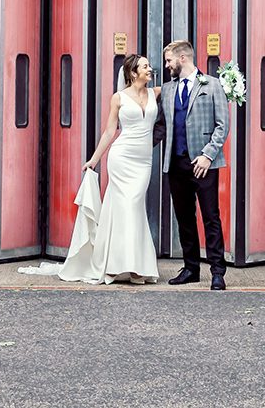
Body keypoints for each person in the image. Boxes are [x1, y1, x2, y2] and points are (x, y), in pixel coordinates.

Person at [18, 54, 161, 285]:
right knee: (125, 207)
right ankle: (118, 265)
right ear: (133, 73)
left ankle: (135, 265)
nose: (150, 69)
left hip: (143, 162)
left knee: (134, 207)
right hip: (121, 158)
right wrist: (94, 160)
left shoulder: (156, 93)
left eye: (149, 66)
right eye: (145, 66)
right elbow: (109, 132)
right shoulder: (118, 98)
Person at [159, 38, 230, 289]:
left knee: (211, 217)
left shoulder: (211, 85)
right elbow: (161, 126)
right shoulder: (167, 90)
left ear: (182, 58)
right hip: (176, 164)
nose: (166, 65)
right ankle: (191, 268)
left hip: (204, 164)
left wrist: (207, 154)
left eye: (169, 60)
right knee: (184, 218)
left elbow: (222, 125)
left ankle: (218, 272)